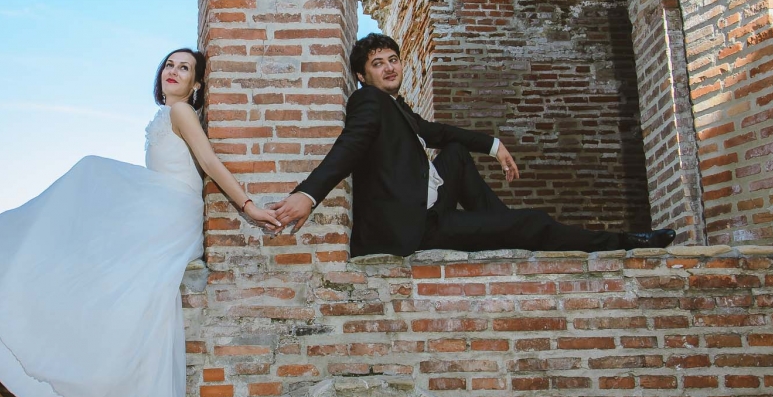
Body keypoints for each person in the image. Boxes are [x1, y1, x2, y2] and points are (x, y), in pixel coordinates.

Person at [0, 49, 280, 397]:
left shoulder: (182, 112)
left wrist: (249, 208)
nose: (174, 71)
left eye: (185, 68)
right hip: (160, 207)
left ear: (196, 84)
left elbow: (211, 164)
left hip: (173, 210)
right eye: (169, 64)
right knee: (94, 244)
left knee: (90, 171)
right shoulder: (164, 115)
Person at [271, 33, 674, 258]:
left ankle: (506, 230)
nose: (390, 66)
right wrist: (309, 194)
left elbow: (439, 133)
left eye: (393, 59)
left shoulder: (399, 110)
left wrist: (493, 144)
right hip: (413, 229)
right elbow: (351, 145)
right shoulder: (369, 102)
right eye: (378, 63)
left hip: (426, 209)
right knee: (534, 221)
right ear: (362, 76)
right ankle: (624, 242)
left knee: (457, 155)